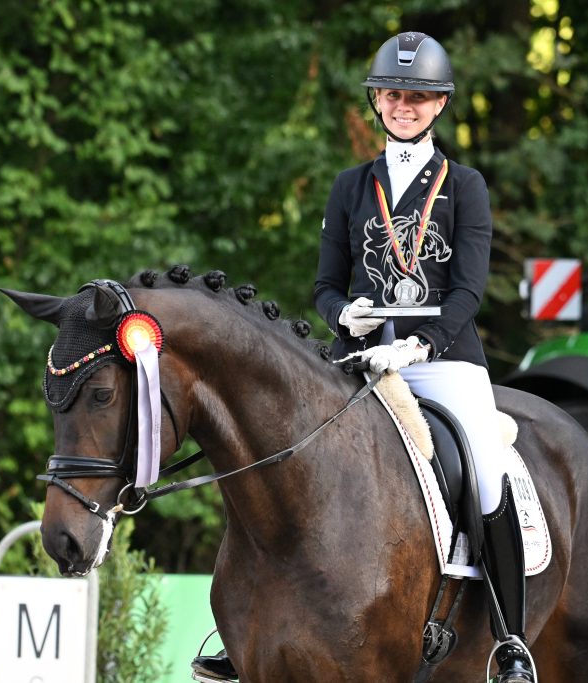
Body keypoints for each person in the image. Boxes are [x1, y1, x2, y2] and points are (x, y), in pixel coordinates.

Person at [194, 31, 535, 683]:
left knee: (487, 471)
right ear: (377, 101)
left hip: (443, 358)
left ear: (438, 105)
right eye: (394, 94)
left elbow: (467, 287)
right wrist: (340, 315)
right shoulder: (352, 186)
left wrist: (424, 342)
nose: (404, 105)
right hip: (357, 360)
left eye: (418, 96)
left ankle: (510, 636)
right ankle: (243, 620)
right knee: (276, 455)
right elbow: (327, 284)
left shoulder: (465, 186)